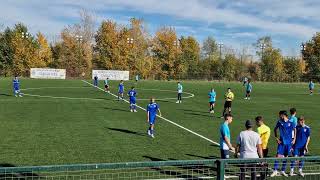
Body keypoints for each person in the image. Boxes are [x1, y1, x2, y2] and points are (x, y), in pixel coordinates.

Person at [271, 111, 296, 177]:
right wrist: (277, 138)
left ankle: (283, 170)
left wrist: (294, 139)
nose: (279, 116)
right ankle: (275, 170)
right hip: (282, 143)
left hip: (289, 143)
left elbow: (295, 129)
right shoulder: (279, 122)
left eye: (280, 115)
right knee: (278, 156)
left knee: (286, 157)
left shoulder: (290, 122)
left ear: (283, 115)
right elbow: (275, 129)